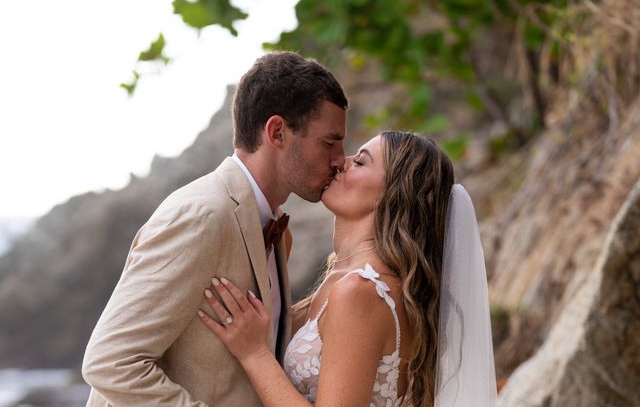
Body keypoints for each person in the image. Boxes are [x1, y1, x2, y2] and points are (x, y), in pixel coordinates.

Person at [82, 51, 349, 406]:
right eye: (329, 143)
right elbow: (110, 363)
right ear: (277, 132)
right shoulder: (202, 214)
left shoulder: (277, 231)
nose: (340, 159)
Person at [198, 131, 497, 406]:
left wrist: (254, 354)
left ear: (392, 193)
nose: (342, 162)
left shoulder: (361, 292)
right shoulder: (352, 283)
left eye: (361, 161)